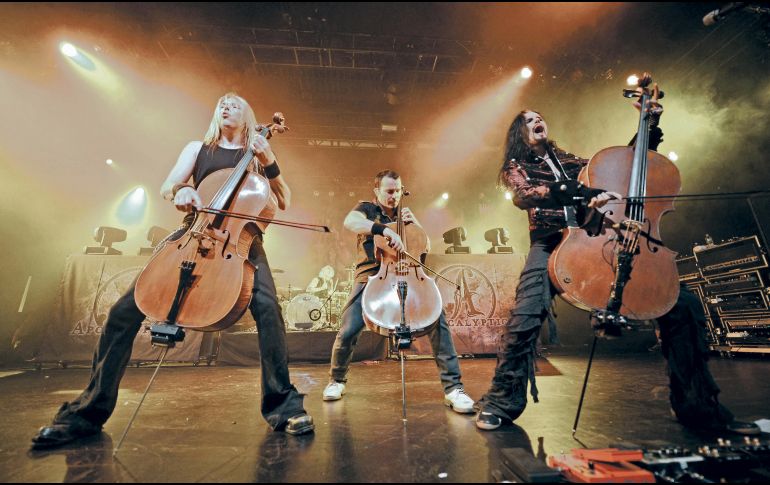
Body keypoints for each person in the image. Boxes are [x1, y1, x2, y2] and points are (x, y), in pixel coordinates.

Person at [31, 93, 314, 450]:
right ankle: (87, 412)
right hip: (193, 232)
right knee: (123, 312)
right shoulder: (198, 148)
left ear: (248, 116)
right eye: (222, 102)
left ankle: (283, 407)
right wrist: (182, 192)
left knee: (270, 312)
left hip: (241, 244)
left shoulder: (257, 156)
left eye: (236, 103)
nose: (227, 106)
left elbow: (283, 200)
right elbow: (169, 186)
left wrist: (269, 158)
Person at [474, 87, 760, 435]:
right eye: (528, 120)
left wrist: (648, 122)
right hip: (550, 242)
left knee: (682, 305)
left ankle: (698, 407)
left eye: (540, 117)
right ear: (519, 133)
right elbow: (525, 195)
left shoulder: (572, 161)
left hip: (595, 238)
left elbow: (625, 165)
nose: (537, 121)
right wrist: (584, 193)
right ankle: (502, 402)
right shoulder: (516, 167)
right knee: (526, 314)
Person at [321, 170, 475, 414]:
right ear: (377, 191)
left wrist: (415, 225)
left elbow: (424, 247)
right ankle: (336, 380)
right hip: (371, 278)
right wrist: (384, 230)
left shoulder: (406, 215)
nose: (394, 196)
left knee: (437, 320)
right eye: (389, 191)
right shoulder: (366, 208)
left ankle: (454, 389)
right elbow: (350, 222)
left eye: (398, 191)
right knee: (348, 329)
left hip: (408, 275)